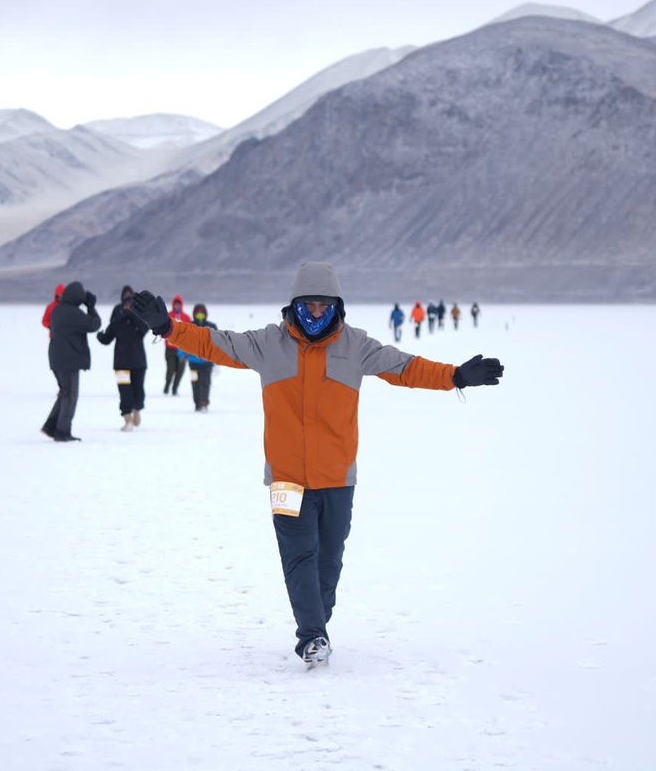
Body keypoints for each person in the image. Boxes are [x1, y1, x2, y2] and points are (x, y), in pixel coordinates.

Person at [130, 262, 504, 665]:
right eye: (307, 306)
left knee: (328, 561)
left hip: (337, 477)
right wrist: (168, 328)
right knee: (298, 557)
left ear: (337, 307)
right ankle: (311, 635)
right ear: (293, 306)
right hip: (287, 479)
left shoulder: (356, 346)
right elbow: (214, 343)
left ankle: (316, 622)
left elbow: (405, 367)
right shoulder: (267, 344)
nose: (314, 314)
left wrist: (455, 377)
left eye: (323, 306)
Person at [42, 282, 100, 442]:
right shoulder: (73, 313)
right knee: (70, 396)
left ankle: (50, 427)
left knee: (64, 393)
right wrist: (91, 306)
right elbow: (94, 324)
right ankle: (62, 432)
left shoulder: (57, 310)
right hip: (69, 361)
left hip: (56, 359)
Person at [97, 286, 149, 431]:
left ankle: (137, 410)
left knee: (138, 390)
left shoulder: (139, 316)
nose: (127, 307)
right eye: (125, 304)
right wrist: (101, 337)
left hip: (138, 362)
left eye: (130, 303)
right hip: (121, 362)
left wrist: (131, 314)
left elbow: (144, 329)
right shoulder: (117, 317)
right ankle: (127, 418)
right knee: (124, 391)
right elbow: (108, 336)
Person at [187, 303, 216, 412]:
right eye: (198, 312)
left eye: (202, 312)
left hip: (207, 361)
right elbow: (183, 342)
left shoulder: (211, 327)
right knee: (195, 383)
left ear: (205, 314)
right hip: (193, 362)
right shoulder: (189, 326)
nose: (200, 314)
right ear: (194, 314)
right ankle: (197, 403)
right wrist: (182, 355)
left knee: (205, 382)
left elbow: (217, 343)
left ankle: (204, 401)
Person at [162, 295, 193, 395]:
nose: (177, 306)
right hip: (170, 348)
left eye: (179, 305)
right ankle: (167, 386)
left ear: (181, 306)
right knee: (170, 370)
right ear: (173, 305)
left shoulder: (186, 318)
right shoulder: (168, 316)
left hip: (182, 349)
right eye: (176, 304)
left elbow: (191, 332)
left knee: (180, 371)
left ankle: (174, 389)